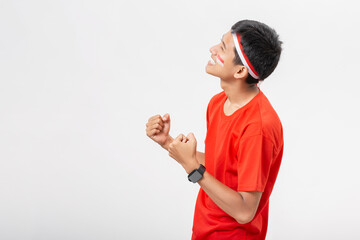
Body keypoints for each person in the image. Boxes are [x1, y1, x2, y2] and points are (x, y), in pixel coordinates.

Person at [146, 19, 283, 240]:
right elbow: (220, 165)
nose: (212, 49)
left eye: (222, 47)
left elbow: (245, 211)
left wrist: (191, 167)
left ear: (240, 71)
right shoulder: (218, 103)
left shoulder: (258, 127)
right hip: (204, 229)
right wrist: (168, 142)